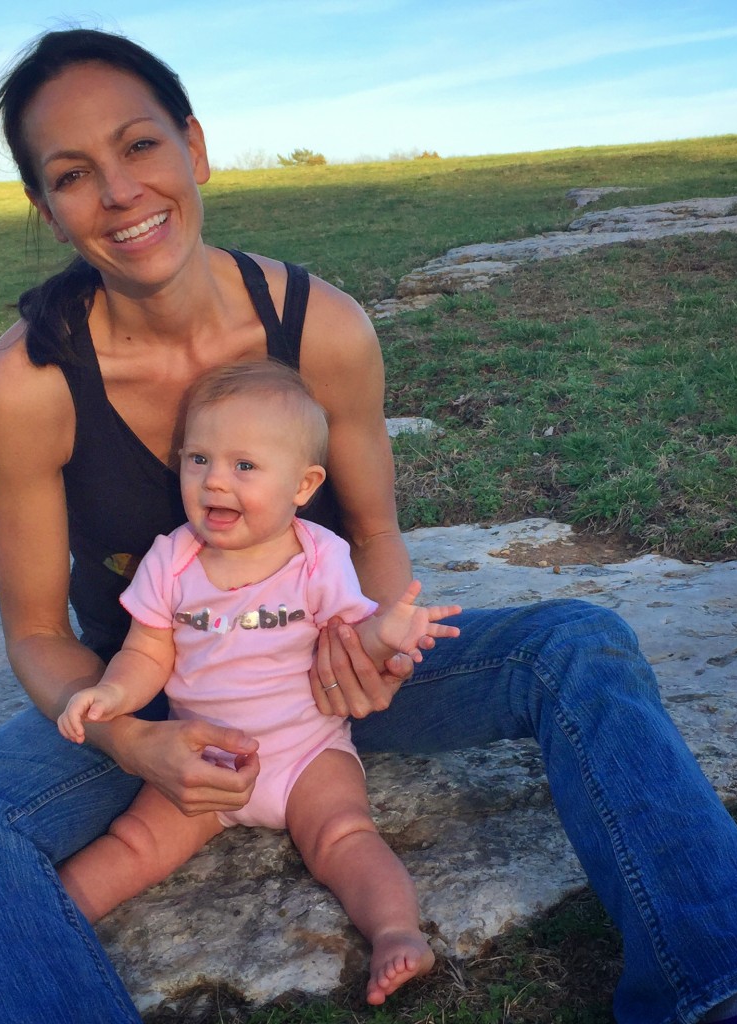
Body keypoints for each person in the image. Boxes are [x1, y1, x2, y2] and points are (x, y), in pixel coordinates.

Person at [0, 26, 737, 1024]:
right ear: (45, 206)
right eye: (73, 174)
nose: (118, 192)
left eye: (139, 146)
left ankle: (723, 982)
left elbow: (373, 530)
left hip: (324, 672)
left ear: (194, 148)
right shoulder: (26, 382)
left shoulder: (321, 326)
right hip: (156, 687)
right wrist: (127, 742)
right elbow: (36, 633)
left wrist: (369, 644)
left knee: (578, 641)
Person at [55, 359, 458, 1003]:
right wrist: (113, 694)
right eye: (198, 460)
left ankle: (394, 931)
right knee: (133, 842)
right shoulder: (172, 558)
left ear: (304, 484)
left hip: (305, 751)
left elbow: (353, 639)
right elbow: (147, 652)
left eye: (245, 466)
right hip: (203, 757)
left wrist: (394, 633)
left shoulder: (317, 556)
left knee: (346, 836)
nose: (216, 480)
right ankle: (49, 919)